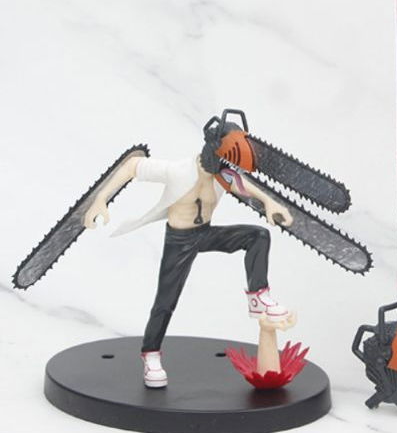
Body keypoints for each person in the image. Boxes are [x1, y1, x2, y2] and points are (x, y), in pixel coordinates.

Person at [83, 115, 293, 388]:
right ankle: (151, 354)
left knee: (258, 236)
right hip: (179, 241)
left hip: (205, 234)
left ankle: (258, 297)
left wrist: (269, 202)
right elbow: (132, 166)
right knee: (165, 301)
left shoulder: (224, 177)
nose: (227, 170)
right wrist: (101, 198)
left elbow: (243, 185)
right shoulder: (178, 171)